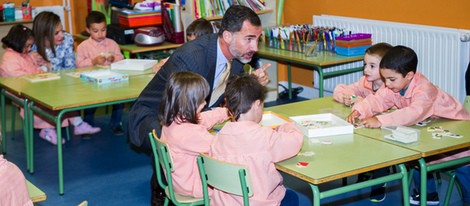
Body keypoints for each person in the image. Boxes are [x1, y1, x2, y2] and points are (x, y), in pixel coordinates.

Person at [128, 5, 270, 206]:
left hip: (194, 112)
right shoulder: (192, 58)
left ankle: (207, 181)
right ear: (227, 36)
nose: (255, 47)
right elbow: (178, 111)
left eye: (257, 39)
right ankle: (161, 188)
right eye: (249, 39)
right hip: (154, 114)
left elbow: (227, 96)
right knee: (176, 139)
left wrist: (250, 82)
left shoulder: (236, 57)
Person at [346, 45, 470, 205]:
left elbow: (413, 113)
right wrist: (359, 111)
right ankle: (428, 195)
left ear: (410, 75)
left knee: (464, 168)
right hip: (430, 131)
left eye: (391, 79)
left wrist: (380, 121)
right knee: (417, 159)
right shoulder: (393, 85)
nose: (387, 84)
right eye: (384, 79)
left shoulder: (425, 90)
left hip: (459, 133)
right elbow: (377, 99)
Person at [209, 73, 304, 205]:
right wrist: (288, 126)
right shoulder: (264, 137)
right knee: (294, 197)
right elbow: (295, 142)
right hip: (258, 203)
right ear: (256, 104)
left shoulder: (218, 138)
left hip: (224, 203)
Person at [0, 24, 100, 145]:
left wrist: (42, 71)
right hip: (20, 92)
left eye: (30, 45)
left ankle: (77, 123)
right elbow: (19, 79)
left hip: (34, 86)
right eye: (27, 46)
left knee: (62, 94)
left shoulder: (24, 55)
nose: (29, 48)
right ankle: (47, 129)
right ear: (17, 42)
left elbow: (35, 69)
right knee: (48, 99)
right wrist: (39, 73)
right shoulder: (9, 59)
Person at [333, 42, 393, 202]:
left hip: (386, 132)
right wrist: (348, 98)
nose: (366, 70)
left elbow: (389, 110)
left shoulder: (391, 86)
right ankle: (365, 171)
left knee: (381, 149)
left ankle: (379, 183)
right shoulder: (366, 82)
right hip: (366, 128)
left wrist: (365, 102)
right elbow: (340, 90)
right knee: (354, 139)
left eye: (372, 66)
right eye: (365, 65)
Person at [159, 71, 229, 197]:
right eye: (201, 100)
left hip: (178, 181)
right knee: (241, 183)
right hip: (195, 185)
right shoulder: (190, 133)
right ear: (189, 104)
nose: (205, 103)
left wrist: (226, 112)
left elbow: (202, 119)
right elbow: (222, 147)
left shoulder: (172, 121)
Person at [75, 11, 125, 135]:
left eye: (103, 30)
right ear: (88, 30)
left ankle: (116, 123)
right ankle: (87, 125)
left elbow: (121, 58)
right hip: (91, 82)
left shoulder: (112, 44)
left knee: (119, 100)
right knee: (90, 103)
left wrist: (114, 58)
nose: (100, 34)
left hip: (111, 80)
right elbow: (78, 64)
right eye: (95, 31)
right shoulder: (83, 46)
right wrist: (93, 61)